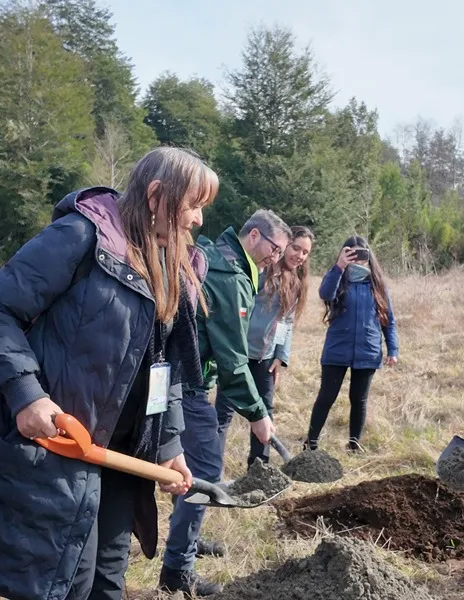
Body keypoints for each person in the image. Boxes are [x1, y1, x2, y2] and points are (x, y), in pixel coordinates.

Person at [0, 147, 219, 600]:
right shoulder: (81, 236)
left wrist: (169, 444)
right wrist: (27, 394)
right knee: (67, 587)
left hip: (123, 461)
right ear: (157, 196)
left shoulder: (172, 264)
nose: (199, 220)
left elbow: (166, 368)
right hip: (60, 451)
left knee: (107, 584)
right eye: (193, 205)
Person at [159, 208, 292, 596]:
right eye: (274, 248)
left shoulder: (225, 261)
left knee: (189, 470)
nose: (276, 257)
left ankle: (187, 537)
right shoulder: (227, 275)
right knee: (205, 470)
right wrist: (258, 414)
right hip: (187, 382)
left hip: (182, 377)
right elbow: (233, 358)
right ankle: (177, 570)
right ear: (253, 236)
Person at [305, 236, 399, 452]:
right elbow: (325, 294)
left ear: (369, 257)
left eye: (361, 255)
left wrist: (393, 348)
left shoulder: (378, 285)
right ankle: (311, 444)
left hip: (368, 349)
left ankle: (354, 445)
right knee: (326, 397)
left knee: (359, 399)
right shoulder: (338, 279)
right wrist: (339, 266)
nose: (357, 260)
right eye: (351, 254)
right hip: (337, 349)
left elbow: (389, 320)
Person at [231, 225, 315, 467]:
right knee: (224, 413)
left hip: (265, 358)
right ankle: (209, 463)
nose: (299, 255)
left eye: (305, 252)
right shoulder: (262, 271)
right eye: (296, 248)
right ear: (284, 246)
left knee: (264, 410)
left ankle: (259, 466)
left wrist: (280, 355)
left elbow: (286, 322)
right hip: (240, 353)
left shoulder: (297, 283)